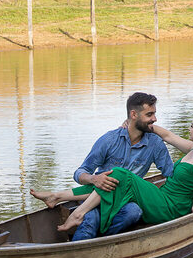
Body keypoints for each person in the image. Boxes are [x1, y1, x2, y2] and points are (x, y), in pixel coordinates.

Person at [36, 109, 193, 235]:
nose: (189, 128)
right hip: (161, 198)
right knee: (112, 181)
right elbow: (167, 135)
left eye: (192, 126)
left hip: (170, 208)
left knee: (120, 174)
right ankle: (58, 196)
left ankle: (78, 213)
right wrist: (135, 124)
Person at [30, 92, 174, 241]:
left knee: (134, 212)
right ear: (133, 114)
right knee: (90, 220)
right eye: (149, 114)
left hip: (126, 202)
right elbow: (80, 172)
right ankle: (78, 248)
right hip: (95, 198)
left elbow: (171, 174)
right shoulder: (109, 140)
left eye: (154, 114)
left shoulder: (155, 144)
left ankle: (102, 241)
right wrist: (93, 179)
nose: (155, 119)